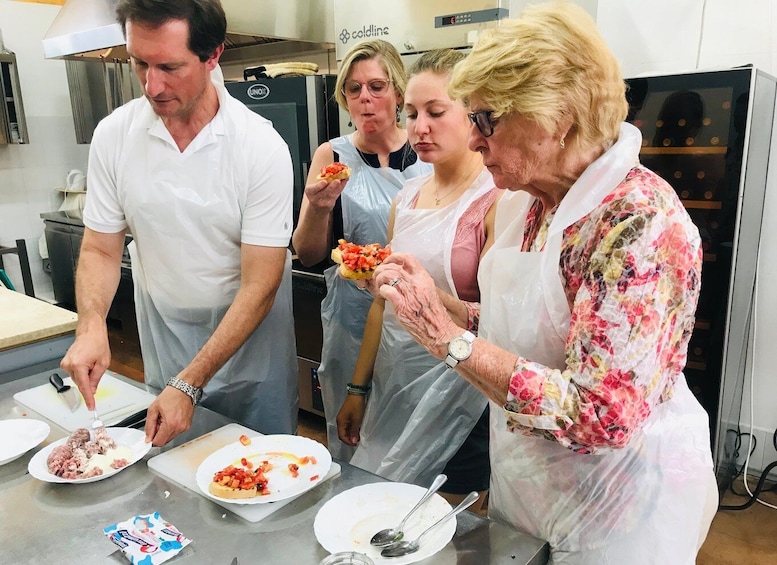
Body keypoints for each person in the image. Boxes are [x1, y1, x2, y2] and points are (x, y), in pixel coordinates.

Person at [358, 3, 718, 563]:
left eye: (487, 120)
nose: (475, 141)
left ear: (558, 117)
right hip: (532, 482)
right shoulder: (533, 200)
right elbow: (527, 329)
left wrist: (447, 341)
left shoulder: (637, 224)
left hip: (612, 506)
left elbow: (601, 414)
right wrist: (443, 307)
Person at [60, 0, 298, 446]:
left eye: (169, 66)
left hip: (251, 353)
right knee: (174, 476)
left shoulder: (259, 146)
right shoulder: (115, 137)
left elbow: (261, 283)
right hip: (166, 342)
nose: (152, 86)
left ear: (213, 56)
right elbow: (100, 249)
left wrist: (190, 383)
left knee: (259, 477)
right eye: (139, 63)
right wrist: (91, 324)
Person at [336, 49, 500, 509]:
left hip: (463, 394)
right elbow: (381, 303)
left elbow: (502, 321)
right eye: (411, 114)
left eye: (435, 112)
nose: (419, 127)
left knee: (444, 522)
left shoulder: (496, 200)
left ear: (474, 115)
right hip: (395, 382)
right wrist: (358, 388)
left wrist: (432, 300)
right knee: (384, 509)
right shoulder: (405, 199)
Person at [291, 39, 431, 461]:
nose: (365, 99)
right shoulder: (332, 155)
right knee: (352, 436)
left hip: (419, 320)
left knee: (413, 440)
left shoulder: (429, 152)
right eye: (354, 89)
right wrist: (318, 208)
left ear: (399, 92)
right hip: (352, 319)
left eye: (377, 86)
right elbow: (309, 253)